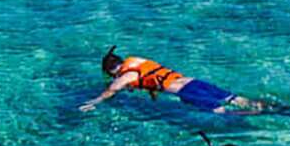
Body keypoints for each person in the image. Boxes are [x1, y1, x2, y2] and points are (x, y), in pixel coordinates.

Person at [79, 47, 275, 115]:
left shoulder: (126, 76)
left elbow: (111, 91)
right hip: (193, 81)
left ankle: (259, 115)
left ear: (113, 71)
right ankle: (275, 107)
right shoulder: (136, 60)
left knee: (223, 113)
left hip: (187, 93)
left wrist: (94, 102)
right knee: (235, 99)